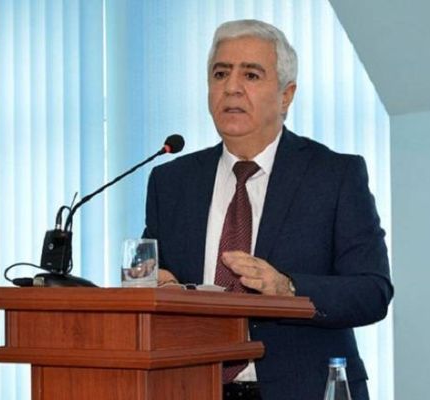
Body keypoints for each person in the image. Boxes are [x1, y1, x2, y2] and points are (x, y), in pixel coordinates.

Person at [143, 19, 393, 400]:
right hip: (191, 387)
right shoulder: (172, 182)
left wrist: (287, 288)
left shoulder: (334, 176)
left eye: (251, 74)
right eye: (220, 73)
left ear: (286, 95)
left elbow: (372, 291)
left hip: (305, 390)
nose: (231, 87)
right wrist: (159, 287)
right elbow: (150, 277)